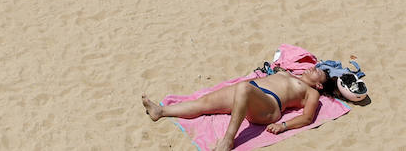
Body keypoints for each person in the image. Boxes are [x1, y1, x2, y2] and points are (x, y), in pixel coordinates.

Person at [142, 67, 336, 150]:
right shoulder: (291, 74)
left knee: (243, 87)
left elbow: (308, 118)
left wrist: (284, 125)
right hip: (254, 91)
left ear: (319, 85)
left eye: (318, 72)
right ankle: (161, 112)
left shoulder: (313, 93)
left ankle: (228, 141)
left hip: (270, 105)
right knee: (205, 103)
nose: (313, 69)